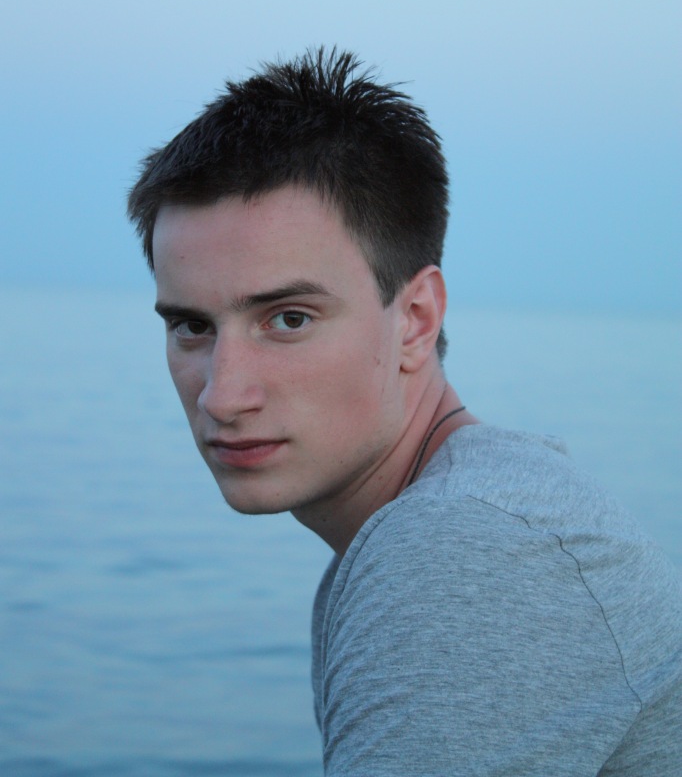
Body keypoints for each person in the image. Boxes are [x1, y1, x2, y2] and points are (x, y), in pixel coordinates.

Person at [127, 47, 682, 776]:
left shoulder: (466, 553)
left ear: (416, 320)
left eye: (288, 319)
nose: (222, 395)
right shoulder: (455, 521)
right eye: (192, 326)